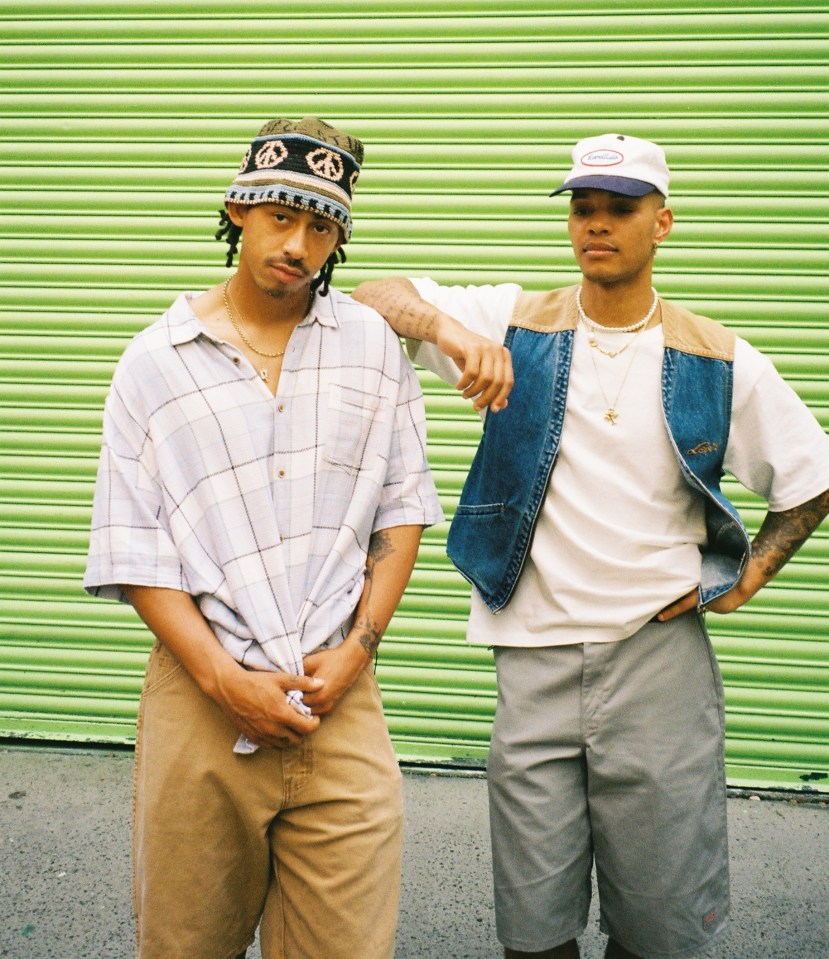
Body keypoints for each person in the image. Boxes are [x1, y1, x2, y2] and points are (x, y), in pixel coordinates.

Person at [352, 132, 829, 959]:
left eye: (619, 208)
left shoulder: (714, 356)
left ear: (662, 222)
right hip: (532, 658)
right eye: (582, 208)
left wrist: (747, 575)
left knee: (660, 925)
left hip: (658, 662)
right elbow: (371, 294)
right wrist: (454, 336)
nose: (595, 225)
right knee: (533, 927)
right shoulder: (511, 321)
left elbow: (811, 477)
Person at [84, 116, 443, 959]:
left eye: (322, 225)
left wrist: (358, 648)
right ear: (238, 209)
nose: (299, 242)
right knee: (187, 944)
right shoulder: (155, 362)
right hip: (202, 699)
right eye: (282, 214)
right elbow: (135, 550)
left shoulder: (369, 348)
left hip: (338, 697)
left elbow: (401, 507)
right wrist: (224, 679)